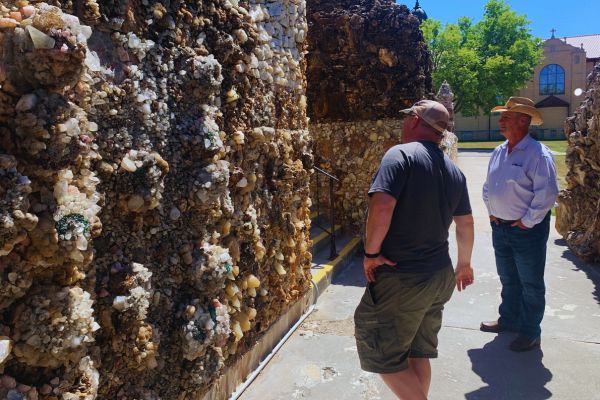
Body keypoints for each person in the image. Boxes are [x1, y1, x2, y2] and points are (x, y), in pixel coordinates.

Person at [354, 99, 475, 400]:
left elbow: (382, 205)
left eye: (408, 117)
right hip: (438, 277)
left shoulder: (400, 155)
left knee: (381, 350)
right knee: (417, 350)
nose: (404, 122)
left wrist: (370, 254)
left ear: (417, 122)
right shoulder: (453, 171)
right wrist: (464, 265)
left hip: (403, 277)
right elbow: (466, 224)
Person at [481, 96, 559, 352]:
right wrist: (492, 212)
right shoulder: (499, 151)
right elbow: (488, 186)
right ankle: (509, 320)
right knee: (508, 278)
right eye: (502, 116)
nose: (501, 121)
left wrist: (526, 223)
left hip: (526, 232)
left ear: (523, 121)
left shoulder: (538, 154)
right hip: (500, 228)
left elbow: (546, 194)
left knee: (530, 283)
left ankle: (530, 332)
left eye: (507, 116)